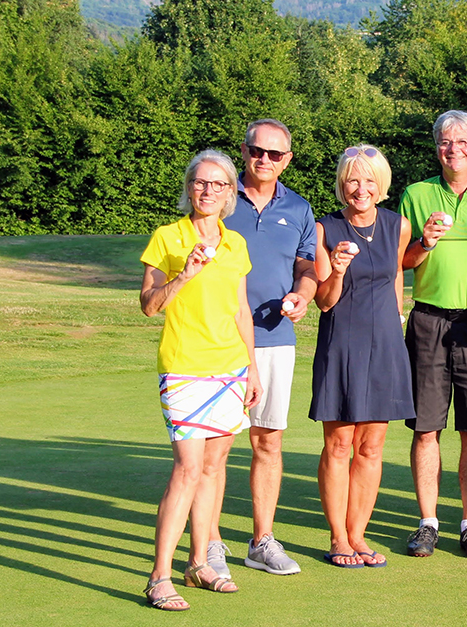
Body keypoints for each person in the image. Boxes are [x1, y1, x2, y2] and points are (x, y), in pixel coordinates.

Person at [139, 150, 262, 611]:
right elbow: (150, 304)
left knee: (213, 468)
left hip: (229, 368)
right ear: (189, 188)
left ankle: (199, 563)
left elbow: (240, 310)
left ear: (231, 192)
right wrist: (184, 275)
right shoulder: (167, 238)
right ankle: (159, 576)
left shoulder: (235, 244)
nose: (208, 191)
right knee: (187, 469)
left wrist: (251, 367)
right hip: (184, 366)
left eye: (218, 184)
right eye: (200, 183)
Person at [400, 111, 467, 560]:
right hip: (428, 320)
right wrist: (424, 242)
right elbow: (401, 261)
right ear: (437, 148)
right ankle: (428, 523)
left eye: (464, 142)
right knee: (426, 428)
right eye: (446, 142)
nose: (455, 149)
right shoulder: (416, 194)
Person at [210, 119, 315, 578]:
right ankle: (209, 541)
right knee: (216, 447)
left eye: (276, 154)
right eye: (258, 151)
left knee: (267, 441)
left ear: (287, 159)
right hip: (216, 341)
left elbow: (307, 266)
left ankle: (261, 540)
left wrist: (303, 295)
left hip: (275, 339)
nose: (265, 160)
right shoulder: (219, 199)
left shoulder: (299, 208)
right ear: (244, 150)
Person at [309, 144, 415, 568]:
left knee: (371, 446)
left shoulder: (398, 226)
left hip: (386, 340)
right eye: (353, 180)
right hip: (342, 340)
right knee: (339, 443)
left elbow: (396, 279)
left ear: (381, 185)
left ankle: (358, 534)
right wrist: (335, 269)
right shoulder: (323, 229)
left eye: (369, 180)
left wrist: (397, 319)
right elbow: (324, 302)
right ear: (342, 184)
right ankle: (338, 537)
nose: (361, 188)